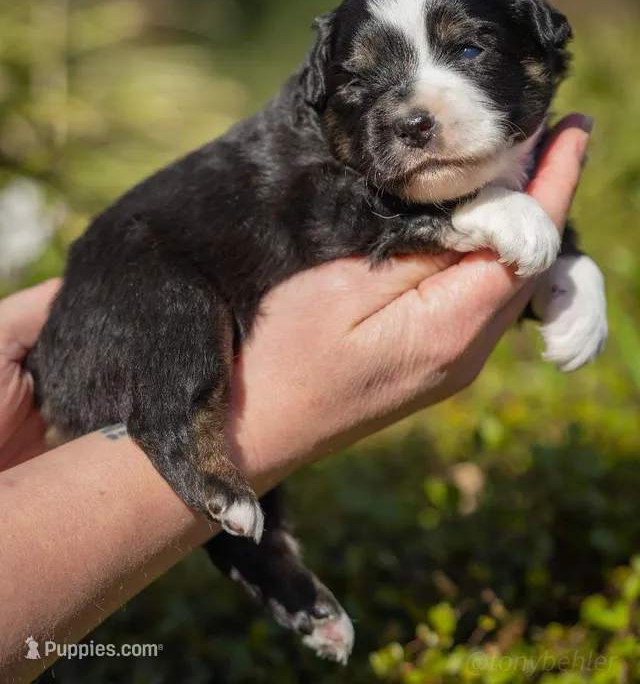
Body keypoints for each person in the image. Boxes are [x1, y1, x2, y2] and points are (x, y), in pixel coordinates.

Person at [0, 115, 592, 681]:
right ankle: (217, 496)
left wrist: (568, 270)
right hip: (148, 330)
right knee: (188, 347)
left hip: (82, 355)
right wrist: (272, 425)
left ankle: (252, 546)